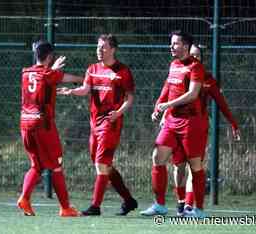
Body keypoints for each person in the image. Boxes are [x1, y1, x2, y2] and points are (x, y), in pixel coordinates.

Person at [57, 34, 138, 216]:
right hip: (95, 124)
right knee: (104, 166)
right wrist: (70, 91)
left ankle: (95, 206)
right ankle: (129, 200)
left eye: (103, 47)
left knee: (101, 164)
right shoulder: (92, 68)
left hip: (111, 123)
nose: (99, 50)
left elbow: (130, 98)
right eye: (98, 47)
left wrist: (118, 113)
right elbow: (85, 89)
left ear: (113, 49)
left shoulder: (122, 71)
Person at [140, 30, 207, 218]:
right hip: (171, 122)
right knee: (157, 157)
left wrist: (168, 105)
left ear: (185, 46)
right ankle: (160, 205)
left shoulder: (196, 67)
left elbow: (193, 94)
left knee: (195, 166)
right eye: (171, 43)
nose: (171, 47)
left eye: (175, 43)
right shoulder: (173, 64)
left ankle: (199, 210)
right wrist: (157, 107)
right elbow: (168, 87)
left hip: (190, 123)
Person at [171, 44, 241, 216]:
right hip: (176, 125)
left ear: (201, 59)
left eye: (197, 55)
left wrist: (233, 123)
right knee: (178, 166)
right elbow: (169, 95)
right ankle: (181, 202)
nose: (194, 58)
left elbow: (221, 102)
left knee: (193, 165)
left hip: (197, 127)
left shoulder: (207, 79)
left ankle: (189, 205)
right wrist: (164, 115)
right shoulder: (178, 72)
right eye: (191, 55)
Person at [18, 39, 83, 217]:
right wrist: (84, 79)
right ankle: (65, 208)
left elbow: (47, 78)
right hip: (42, 125)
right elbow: (66, 78)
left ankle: (24, 198)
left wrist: (52, 70)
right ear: (50, 56)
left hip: (25, 123)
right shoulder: (49, 73)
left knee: (37, 165)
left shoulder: (26, 73)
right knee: (56, 166)